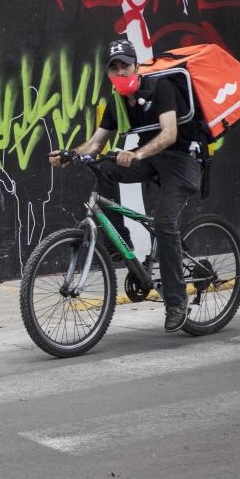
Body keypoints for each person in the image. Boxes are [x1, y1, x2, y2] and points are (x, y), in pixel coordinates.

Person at [48, 39, 203, 333]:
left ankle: (176, 302)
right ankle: (120, 245)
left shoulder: (161, 88)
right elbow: (95, 143)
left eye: (125, 66)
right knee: (104, 168)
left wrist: (138, 154)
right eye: (114, 68)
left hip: (182, 161)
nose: (121, 72)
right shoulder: (117, 100)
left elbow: (169, 134)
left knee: (164, 222)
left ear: (136, 65)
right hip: (153, 159)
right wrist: (69, 154)